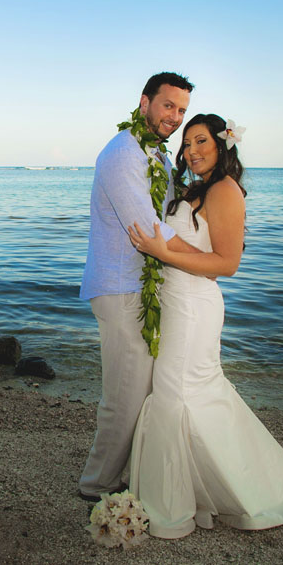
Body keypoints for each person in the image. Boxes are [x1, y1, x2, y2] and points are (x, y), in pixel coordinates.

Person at [127, 113, 283, 538]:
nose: (192, 151)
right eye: (187, 143)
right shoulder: (194, 187)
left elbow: (227, 264)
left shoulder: (226, 191)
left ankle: (176, 505)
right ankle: (191, 491)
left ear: (222, 145)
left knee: (179, 394)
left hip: (194, 308)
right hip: (174, 302)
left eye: (202, 142)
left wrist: (163, 252)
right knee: (181, 392)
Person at [78, 72, 197, 501]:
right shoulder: (122, 154)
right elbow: (145, 226)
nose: (175, 117)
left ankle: (127, 471)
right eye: (168, 105)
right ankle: (97, 485)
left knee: (144, 386)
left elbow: (170, 215)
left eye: (182, 110)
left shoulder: (157, 156)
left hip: (143, 283)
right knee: (125, 392)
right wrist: (206, 260)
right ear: (144, 102)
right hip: (120, 283)